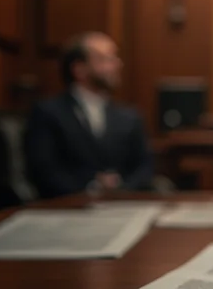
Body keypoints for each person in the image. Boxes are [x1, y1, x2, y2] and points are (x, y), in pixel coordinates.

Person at [24, 32, 154, 199]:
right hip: (69, 209)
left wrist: (121, 189)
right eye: (105, 59)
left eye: (115, 58)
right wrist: (91, 188)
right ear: (80, 69)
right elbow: (44, 170)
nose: (116, 65)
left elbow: (145, 167)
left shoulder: (130, 117)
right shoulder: (48, 112)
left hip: (123, 207)